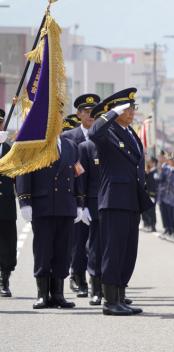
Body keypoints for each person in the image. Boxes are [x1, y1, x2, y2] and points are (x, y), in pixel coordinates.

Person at [88, 88, 153, 316]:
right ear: (118, 110)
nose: (133, 112)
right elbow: (94, 133)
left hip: (131, 200)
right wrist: (110, 114)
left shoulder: (129, 133)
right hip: (114, 200)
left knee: (127, 252)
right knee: (113, 251)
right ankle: (109, 301)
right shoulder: (108, 132)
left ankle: (120, 295)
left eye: (133, 108)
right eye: (129, 108)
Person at [16, 132, 84, 309]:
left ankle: (58, 294)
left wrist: (79, 202)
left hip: (66, 205)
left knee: (64, 250)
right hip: (43, 205)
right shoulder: (34, 144)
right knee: (43, 250)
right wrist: (25, 200)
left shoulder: (70, 145)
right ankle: (42, 295)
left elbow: (78, 174)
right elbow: (24, 171)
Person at [64, 93, 101, 298]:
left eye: (93, 112)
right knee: (78, 242)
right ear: (78, 114)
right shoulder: (69, 137)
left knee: (97, 243)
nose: (90, 115)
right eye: (86, 112)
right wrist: (78, 202)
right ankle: (77, 277)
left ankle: (98, 280)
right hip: (75, 197)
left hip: (96, 197)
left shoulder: (102, 136)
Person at [0, 108, 17, 297]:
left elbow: (17, 174)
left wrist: (11, 148)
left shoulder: (9, 149)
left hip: (5, 205)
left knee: (7, 245)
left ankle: (4, 280)